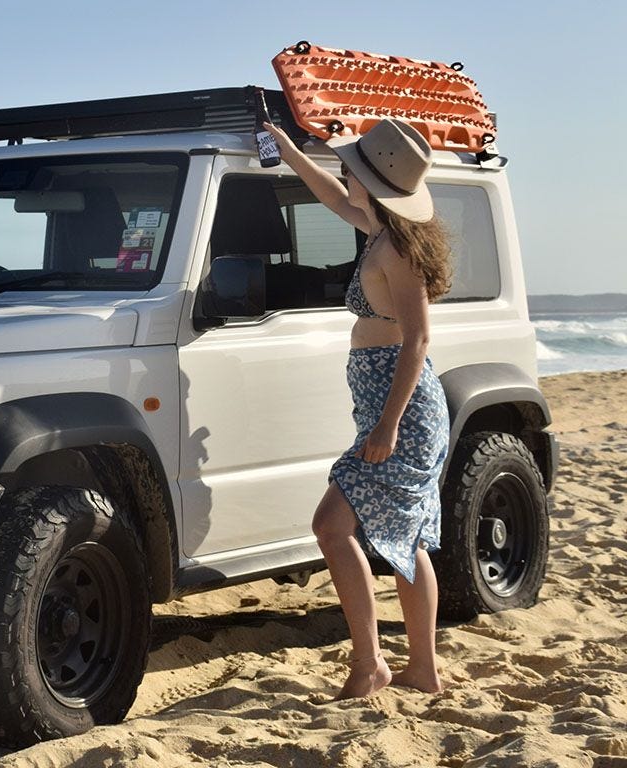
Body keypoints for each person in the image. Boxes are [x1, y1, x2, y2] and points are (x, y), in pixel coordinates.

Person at [264, 117, 453, 700]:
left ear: (373, 180)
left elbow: (417, 339)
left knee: (331, 524)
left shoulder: (398, 248)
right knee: (407, 539)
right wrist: (291, 149)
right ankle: (421, 670)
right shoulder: (378, 228)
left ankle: (371, 665)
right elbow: (326, 192)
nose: (345, 174)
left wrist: (389, 424)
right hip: (386, 403)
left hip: (404, 410)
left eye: (353, 168)